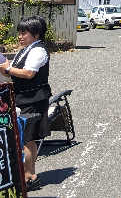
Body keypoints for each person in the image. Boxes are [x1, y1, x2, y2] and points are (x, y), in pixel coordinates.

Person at [2, 16, 51, 190]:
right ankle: (25, 175)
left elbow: (29, 73)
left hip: (34, 99)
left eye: (24, 33)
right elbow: (13, 72)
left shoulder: (38, 50)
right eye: (20, 32)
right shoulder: (25, 50)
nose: (20, 36)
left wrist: (7, 68)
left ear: (36, 34)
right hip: (23, 99)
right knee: (21, 138)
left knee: (28, 139)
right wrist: (5, 66)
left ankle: (30, 176)